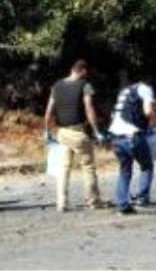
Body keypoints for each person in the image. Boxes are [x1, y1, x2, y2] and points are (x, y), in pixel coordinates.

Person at [44, 59, 106, 212]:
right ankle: (93, 201)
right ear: (83, 71)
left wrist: (47, 130)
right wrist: (97, 131)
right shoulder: (85, 86)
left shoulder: (56, 86)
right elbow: (89, 109)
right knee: (88, 167)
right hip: (78, 132)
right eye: (86, 73)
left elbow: (49, 111)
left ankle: (61, 203)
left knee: (64, 168)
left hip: (62, 132)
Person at [107, 72, 156, 215]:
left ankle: (122, 204)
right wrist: (154, 123)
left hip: (115, 136)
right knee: (147, 166)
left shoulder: (125, 91)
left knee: (124, 170)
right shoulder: (145, 89)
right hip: (132, 134)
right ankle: (142, 198)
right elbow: (148, 111)